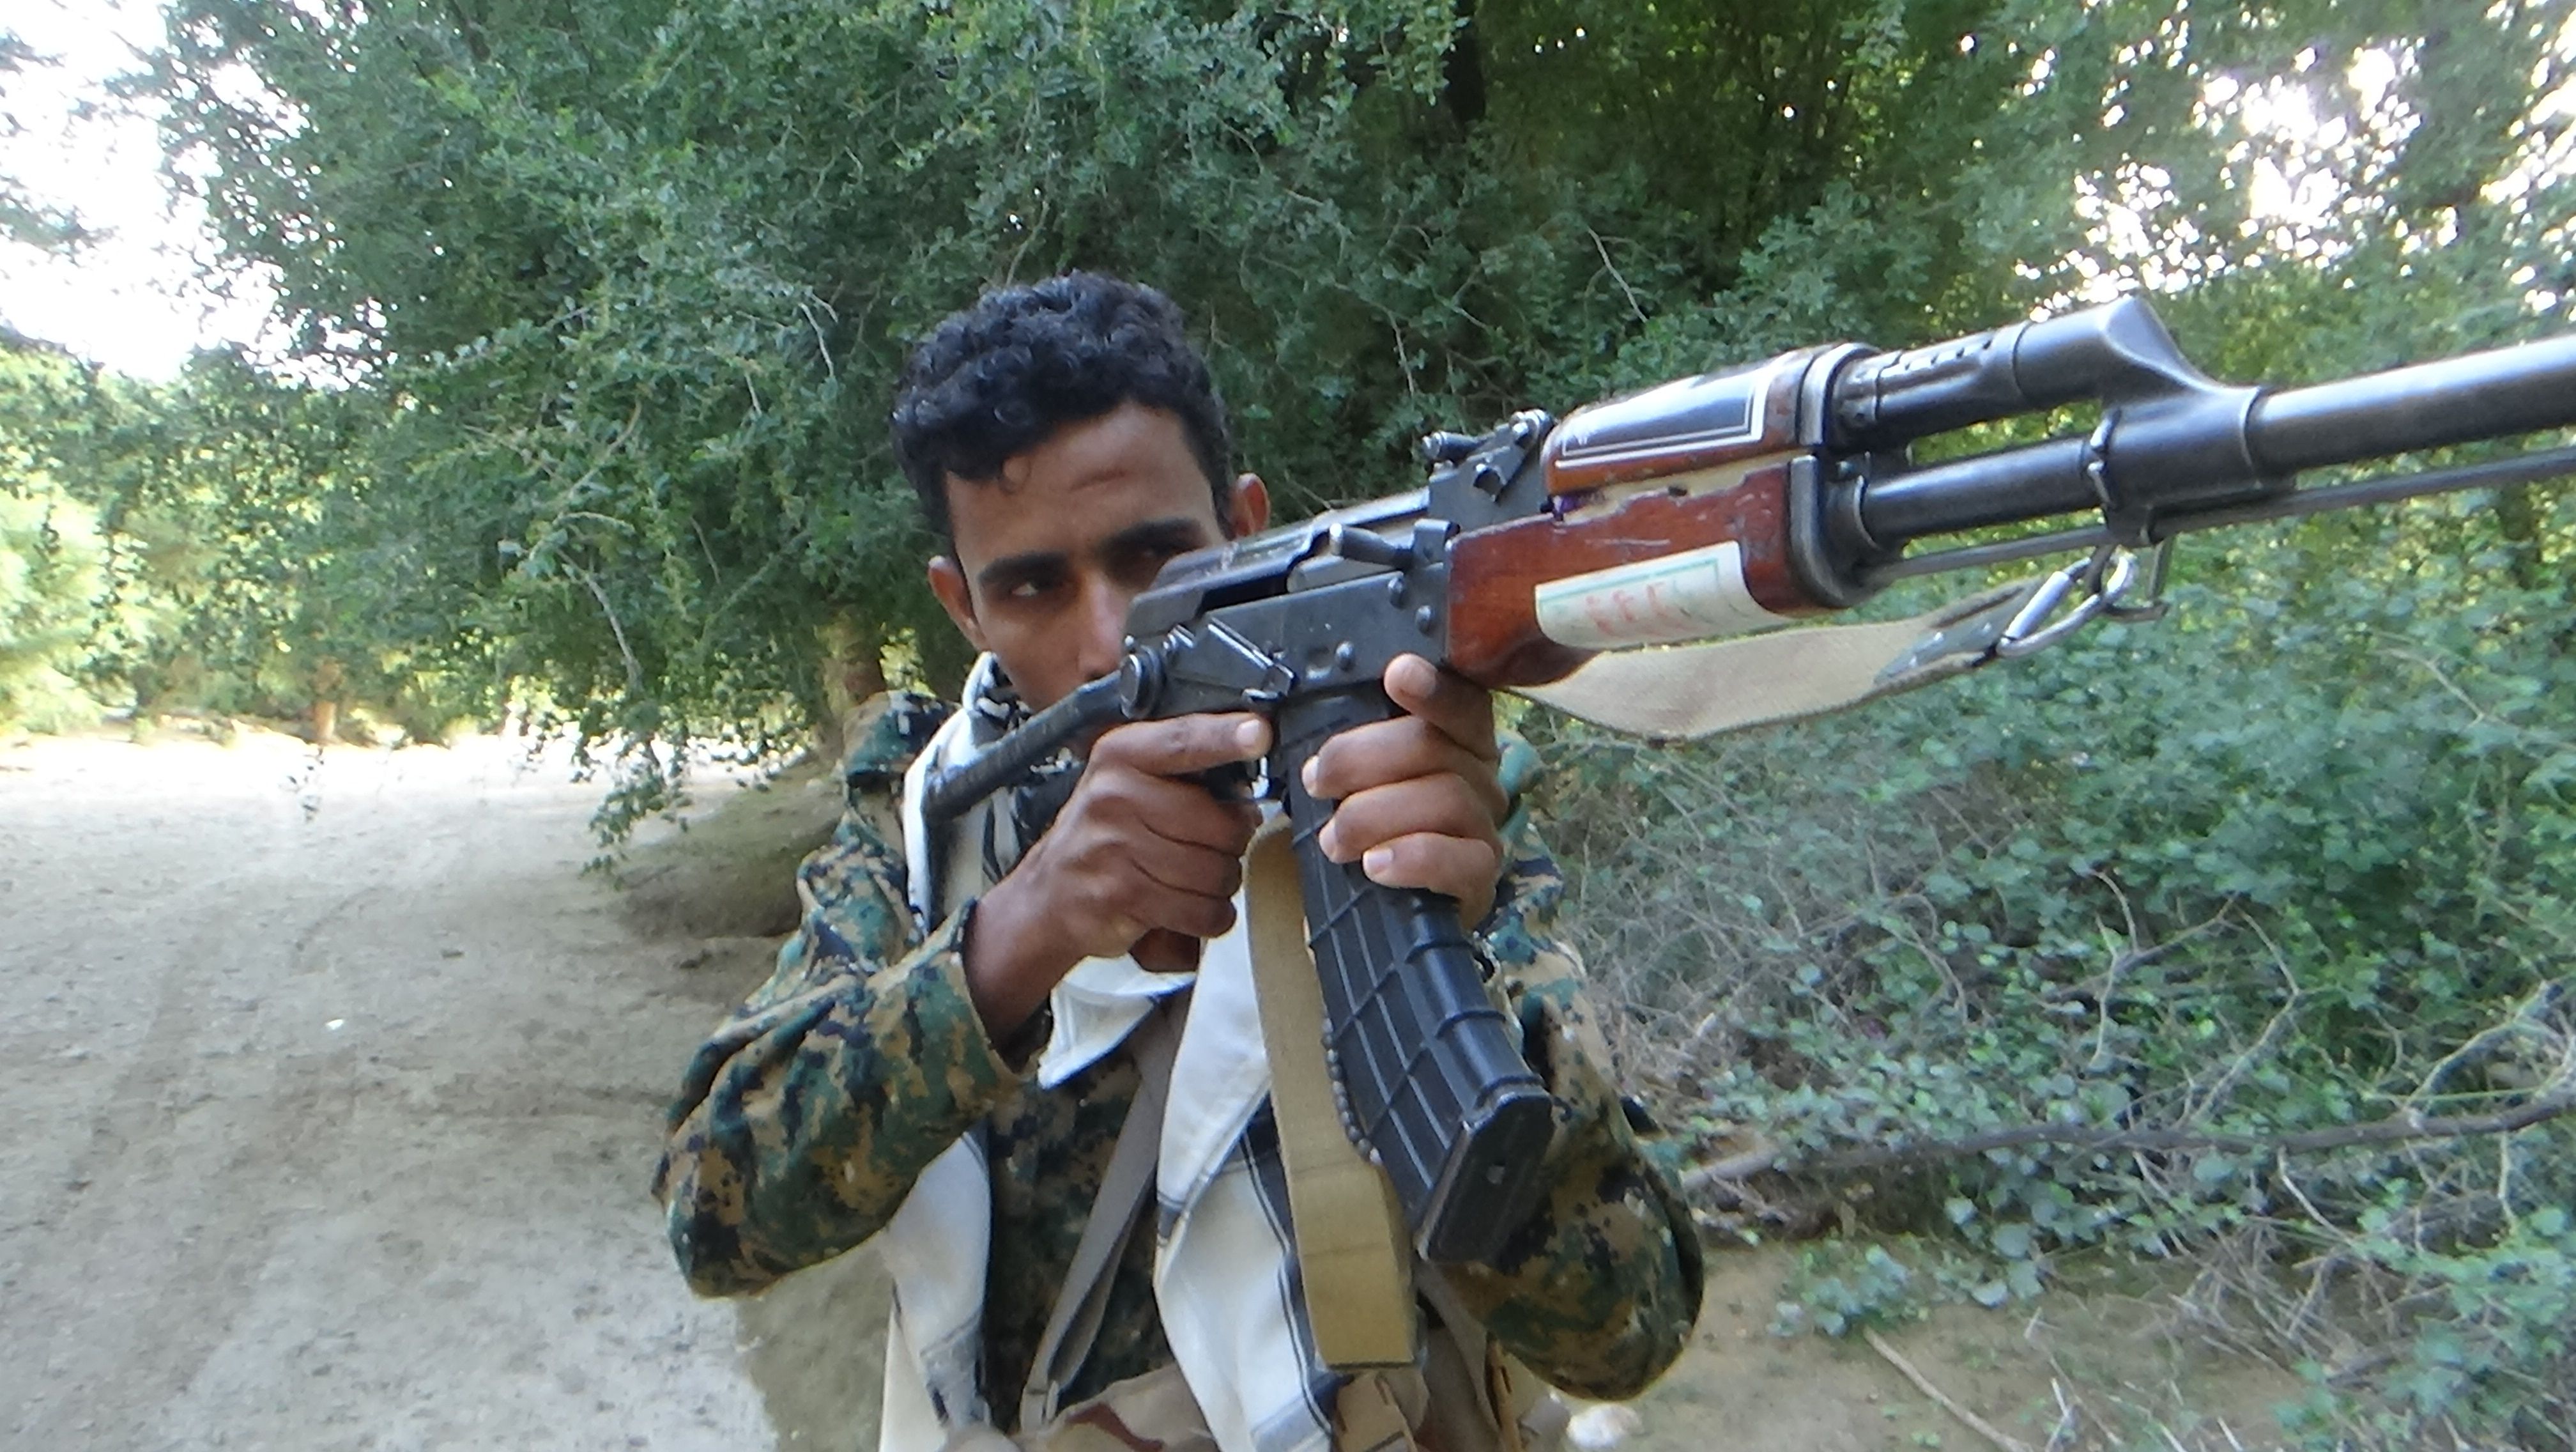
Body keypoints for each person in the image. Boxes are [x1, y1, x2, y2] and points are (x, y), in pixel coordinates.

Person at [654, 272, 1701, 1452]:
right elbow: (714, 1216)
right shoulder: (926, 828)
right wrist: (1017, 939)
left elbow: (1629, 1329)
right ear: (962, 607)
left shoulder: (1394, 788)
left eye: (1154, 559)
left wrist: (1449, 942)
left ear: (1242, 526)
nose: (1110, 639)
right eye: (1034, 586)